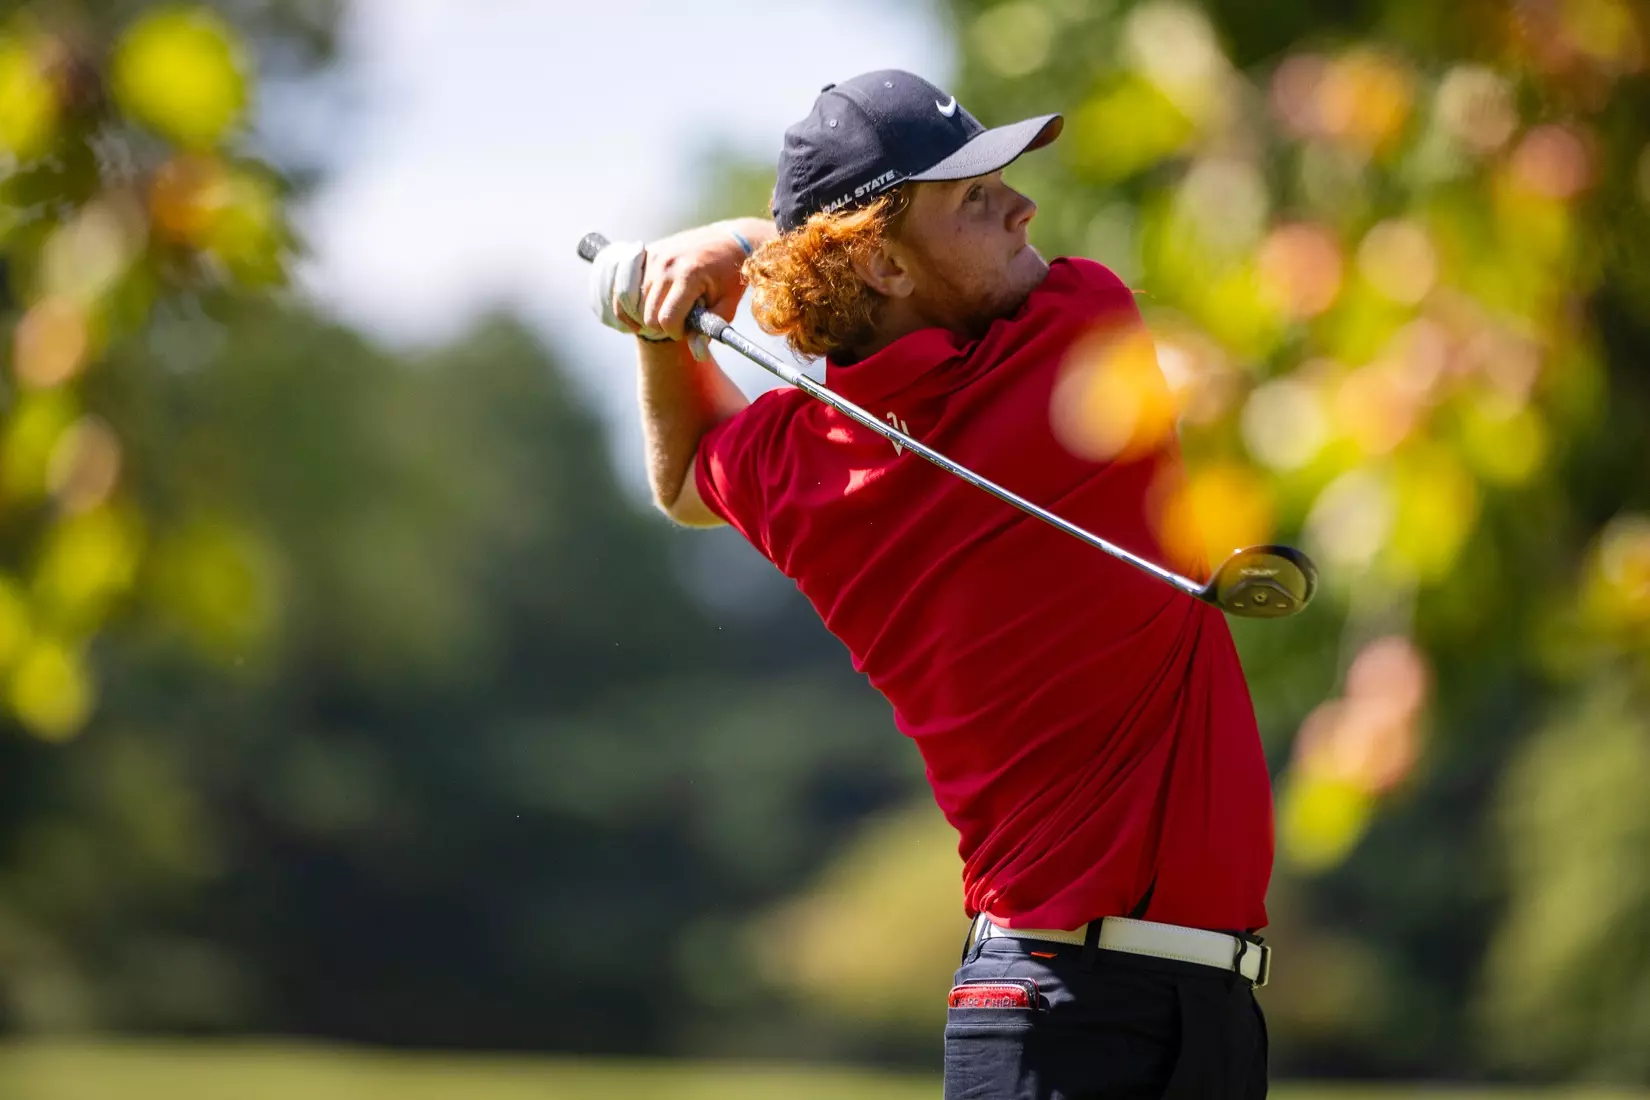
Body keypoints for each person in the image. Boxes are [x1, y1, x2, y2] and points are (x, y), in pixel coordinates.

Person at [587, 69, 1272, 1100]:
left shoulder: (798, 463)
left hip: (1147, 1012)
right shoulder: (1078, 339)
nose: (1022, 206)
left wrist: (668, 314)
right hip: (1063, 1006)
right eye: (976, 197)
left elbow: (684, 473)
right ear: (881, 262)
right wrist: (742, 246)